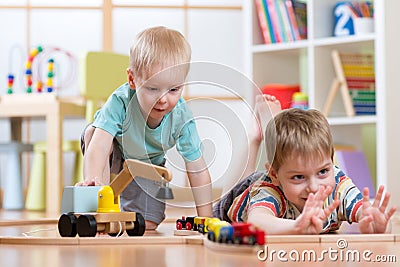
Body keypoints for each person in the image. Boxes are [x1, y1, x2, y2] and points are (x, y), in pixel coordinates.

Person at [79, 26, 213, 230]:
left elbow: (197, 169)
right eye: (152, 88)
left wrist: (207, 220)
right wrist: (93, 183)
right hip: (115, 151)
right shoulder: (120, 101)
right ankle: (99, 203)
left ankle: (122, 211)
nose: (163, 99)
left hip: (148, 164)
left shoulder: (181, 117)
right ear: (132, 79)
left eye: (174, 89)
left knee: (147, 224)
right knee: (92, 132)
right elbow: (99, 145)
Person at [213, 95, 396, 234]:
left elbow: (363, 214)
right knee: (241, 184)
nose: (314, 187)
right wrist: (296, 226)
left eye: (323, 171)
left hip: (281, 169)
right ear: (275, 175)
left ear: (332, 163)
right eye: (299, 177)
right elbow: (257, 221)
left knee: (285, 156)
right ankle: (255, 136)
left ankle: (272, 127)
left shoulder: (338, 184)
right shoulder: (269, 189)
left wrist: (374, 223)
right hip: (241, 197)